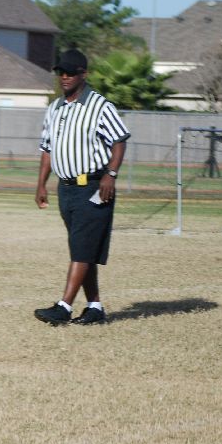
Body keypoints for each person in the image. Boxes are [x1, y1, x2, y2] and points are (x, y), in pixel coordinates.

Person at [34, 49, 130, 326]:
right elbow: (47, 149)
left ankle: (64, 307)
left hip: (94, 187)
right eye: (60, 72)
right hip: (66, 189)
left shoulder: (99, 106)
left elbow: (119, 141)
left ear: (83, 74)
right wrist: (41, 184)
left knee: (81, 249)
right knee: (82, 249)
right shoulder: (55, 108)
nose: (64, 77)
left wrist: (111, 174)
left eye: (70, 72)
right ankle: (95, 307)